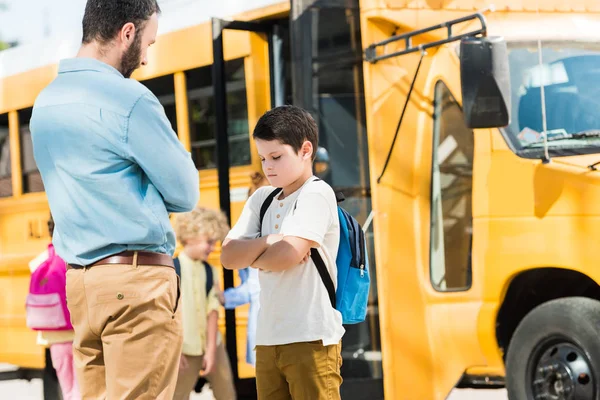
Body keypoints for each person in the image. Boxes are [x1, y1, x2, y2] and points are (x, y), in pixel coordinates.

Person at [29, 1, 199, 399]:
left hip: (83, 286)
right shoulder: (130, 99)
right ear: (127, 33)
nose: (145, 57)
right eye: (147, 43)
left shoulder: (45, 104)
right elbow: (185, 191)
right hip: (135, 282)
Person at [221, 105, 344, 400]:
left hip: (311, 337)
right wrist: (269, 241)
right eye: (263, 158)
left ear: (305, 150)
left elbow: (288, 256)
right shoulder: (262, 198)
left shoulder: (316, 193)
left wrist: (251, 253)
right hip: (267, 340)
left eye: (276, 157)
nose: (268, 167)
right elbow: (227, 257)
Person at [173, 207, 236, 400]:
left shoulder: (210, 271)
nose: (213, 248)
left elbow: (213, 312)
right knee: (177, 395)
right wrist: (174, 351)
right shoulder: (172, 269)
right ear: (190, 236)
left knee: (227, 393)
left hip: (212, 344)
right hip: (183, 348)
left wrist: (210, 351)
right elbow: (167, 314)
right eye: (209, 242)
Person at [28, 214, 80, 400]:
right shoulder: (77, 256)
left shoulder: (42, 259)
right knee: (83, 389)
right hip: (78, 334)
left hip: (55, 337)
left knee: (67, 390)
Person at [222, 171, 269, 367]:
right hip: (268, 326)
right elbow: (253, 288)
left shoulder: (251, 240)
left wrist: (224, 297)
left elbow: (251, 289)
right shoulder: (255, 238)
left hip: (268, 326)